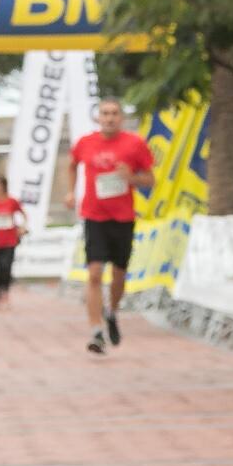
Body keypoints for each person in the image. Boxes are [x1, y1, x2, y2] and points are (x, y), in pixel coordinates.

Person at [68, 98, 153, 354]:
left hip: (123, 218)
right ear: (98, 118)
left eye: (114, 113)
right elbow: (71, 165)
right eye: (105, 113)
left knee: (118, 275)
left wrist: (131, 177)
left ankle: (112, 311)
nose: (109, 118)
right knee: (94, 273)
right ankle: (96, 331)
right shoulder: (85, 143)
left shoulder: (134, 144)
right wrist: (71, 192)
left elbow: (150, 181)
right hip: (94, 216)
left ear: (121, 118)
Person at [0, 174, 23, 308]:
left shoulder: (12, 201)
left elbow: (23, 214)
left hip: (10, 241)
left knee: (6, 267)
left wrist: (22, 227)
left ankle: (6, 293)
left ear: (3, 185)